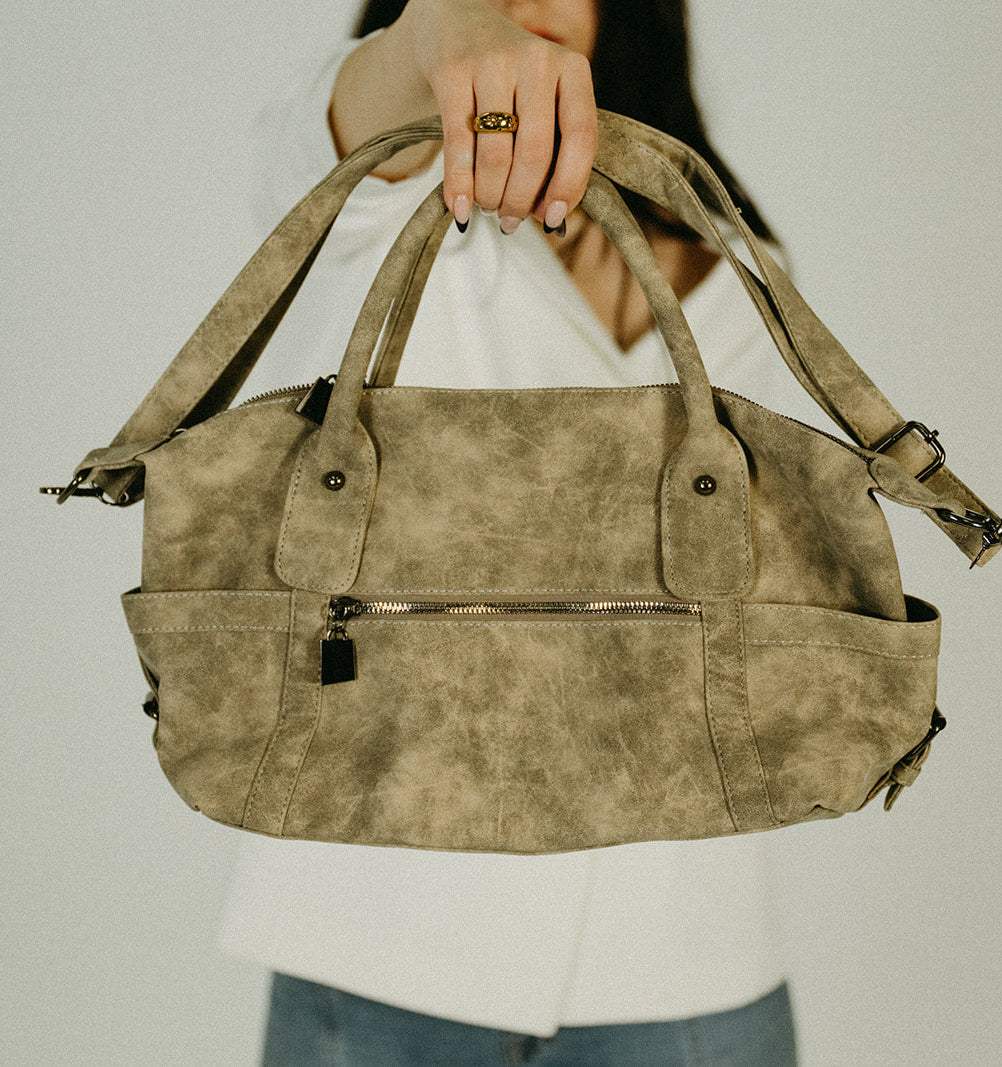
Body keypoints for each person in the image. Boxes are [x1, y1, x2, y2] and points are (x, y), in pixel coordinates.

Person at [220, 1, 822, 1062]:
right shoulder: (376, 191)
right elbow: (338, 125)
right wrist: (432, 37)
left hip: (684, 940)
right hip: (386, 934)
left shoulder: (740, 259)